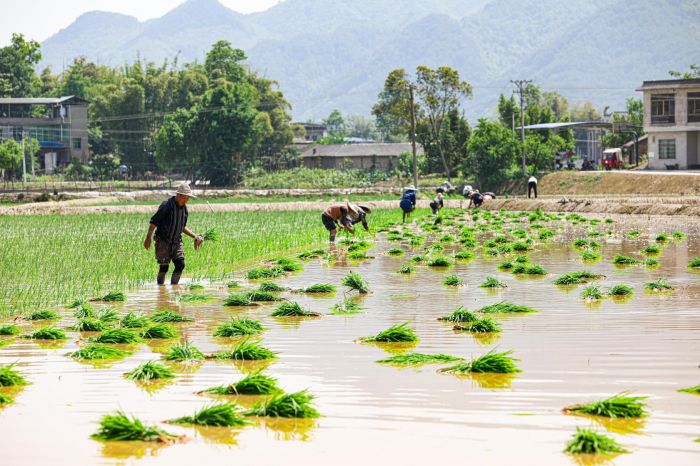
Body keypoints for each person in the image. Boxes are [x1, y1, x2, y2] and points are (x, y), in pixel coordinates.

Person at [144, 183, 204, 285]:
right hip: (163, 241)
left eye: (187, 198)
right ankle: (160, 287)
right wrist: (148, 238)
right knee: (164, 267)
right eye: (184, 198)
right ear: (178, 195)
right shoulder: (166, 205)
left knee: (180, 264)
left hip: (177, 242)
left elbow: (182, 227)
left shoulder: (184, 209)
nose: (185, 200)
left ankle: (174, 287)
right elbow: (154, 221)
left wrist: (195, 236)